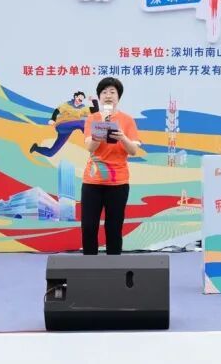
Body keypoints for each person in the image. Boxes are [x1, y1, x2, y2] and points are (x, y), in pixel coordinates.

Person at [81, 77, 141, 255]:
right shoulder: (92, 119)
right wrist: (102, 127)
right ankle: (89, 265)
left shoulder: (127, 120)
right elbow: (90, 147)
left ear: (118, 97)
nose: (108, 95)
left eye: (112, 92)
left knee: (114, 227)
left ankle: (114, 266)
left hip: (118, 182)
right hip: (93, 181)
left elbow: (133, 151)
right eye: (104, 92)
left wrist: (122, 137)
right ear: (99, 97)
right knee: (89, 226)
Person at [30, 90, 98, 157]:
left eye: (81, 100)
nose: (80, 101)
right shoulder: (67, 104)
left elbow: (96, 109)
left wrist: (93, 100)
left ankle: (36, 148)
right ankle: (89, 138)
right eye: (79, 99)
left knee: (51, 153)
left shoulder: (83, 108)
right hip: (62, 125)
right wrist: (53, 119)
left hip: (67, 131)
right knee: (83, 122)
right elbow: (57, 111)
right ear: (75, 97)